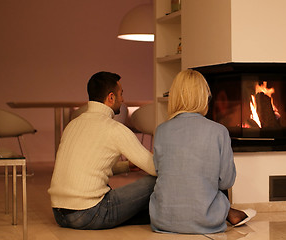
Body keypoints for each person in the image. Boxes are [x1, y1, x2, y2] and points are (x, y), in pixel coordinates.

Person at [149, 69, 256, 234]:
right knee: (215, 184)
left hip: (162, 220)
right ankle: (227, 212)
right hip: (206, 221)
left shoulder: (161, 130)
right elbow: (226, 182)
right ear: (204, 96)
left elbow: (158, 170)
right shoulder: (218, 131)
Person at [48, 71, 157, 230]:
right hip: (90, 213)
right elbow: (156, 168)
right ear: (111, 97)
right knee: (154, 181)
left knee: (142, 210)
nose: (123, 99)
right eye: (121, 94)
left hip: (60, 215)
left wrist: (126, 166)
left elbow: (86, 165)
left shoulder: (72, 124)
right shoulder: (114, 129)